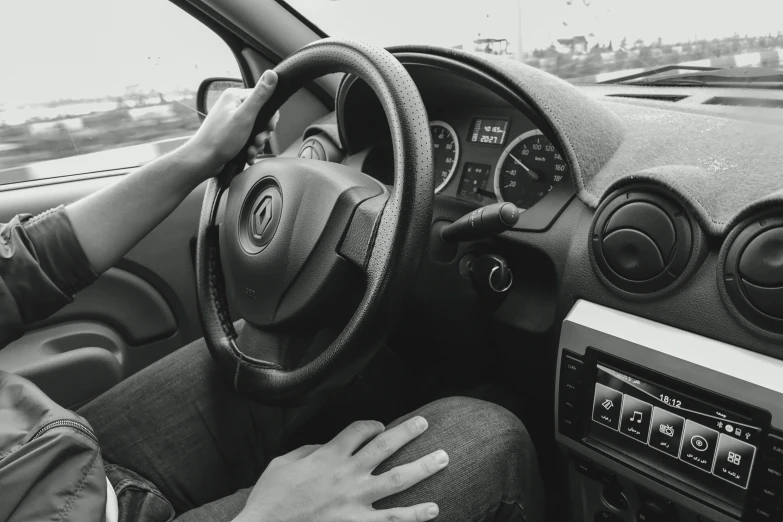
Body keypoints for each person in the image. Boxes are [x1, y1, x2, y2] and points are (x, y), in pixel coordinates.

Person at [0, 70, 545, 522]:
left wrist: (202, 154)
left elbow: (21, 271)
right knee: (490, 433)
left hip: (51, 459)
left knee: (291, 342)